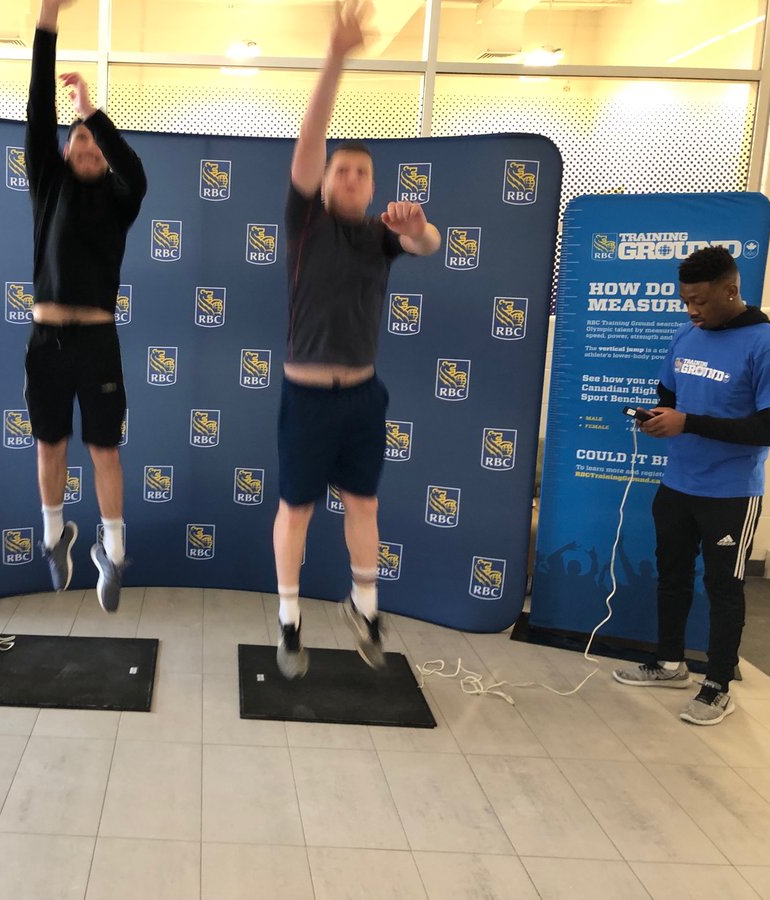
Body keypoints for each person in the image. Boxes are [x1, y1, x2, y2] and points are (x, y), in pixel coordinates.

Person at [274, 0, 441, 679]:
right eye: (341, 171)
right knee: (298, 508)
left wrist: (418, 225)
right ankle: (289, 619)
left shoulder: (383, 233)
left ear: (373, 186)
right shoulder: (305, 220)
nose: (349, 178)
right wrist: (336, 57)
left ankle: (365, 607)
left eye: (361, 174)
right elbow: (310, 139)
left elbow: (429, 245)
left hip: (363, 396)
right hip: (307, 397)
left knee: (365, 504)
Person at [613, 245, 770, 725]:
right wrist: (660, 418)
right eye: (686, 300)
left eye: (701, 300)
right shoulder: (686, 336)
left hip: (730, 493)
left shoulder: (765, 344)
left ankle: (719, 684)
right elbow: (670, 396)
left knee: (724, 588)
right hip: (677, 484)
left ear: (731, 291)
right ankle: (669, 663)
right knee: (672, 576)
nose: (692, 310)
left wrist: (689, 423)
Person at [25, 0, 146, 612]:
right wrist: (48, 17)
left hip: (98, 342)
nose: (87, 145)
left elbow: (135, 170)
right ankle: (55, 537)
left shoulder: (121, 202)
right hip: (47, 342)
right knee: (51, 445)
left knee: (103, 448)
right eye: (77, 139)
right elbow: (36, 107)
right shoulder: (48, 185)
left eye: (94, 140)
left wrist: (92, 111)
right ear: (65, 151)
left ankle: (114, 552)